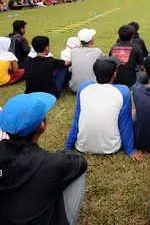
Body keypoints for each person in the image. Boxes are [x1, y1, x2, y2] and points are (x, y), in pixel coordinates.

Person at [0, 93, 87, 225]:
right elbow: (81, 163)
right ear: (42, 126)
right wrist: (62, 153)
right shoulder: (52, 162)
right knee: (77, 173)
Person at [65, 56, 144, 161]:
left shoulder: (84, 87)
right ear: (114, 74)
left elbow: (77, 119)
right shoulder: (123, 91)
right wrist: (130, 150)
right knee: (133, 116)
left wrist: (68, 147)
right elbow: (125, 124)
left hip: (82, 146)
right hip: (111, 147)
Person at [69, 28, 104, 93]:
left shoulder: (73, 52)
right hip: (92, 88)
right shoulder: (98, 52)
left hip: (75, 88)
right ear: (91, 40)